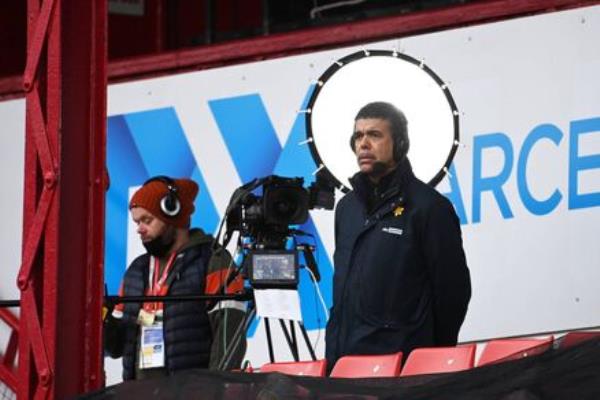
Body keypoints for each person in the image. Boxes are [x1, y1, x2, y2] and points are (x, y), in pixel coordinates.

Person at [325, 102, 471, 369]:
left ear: (400, 144)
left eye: (375, 135)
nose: (364, 144)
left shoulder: (429, 207)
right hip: (344, 368)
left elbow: (453, 293)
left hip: (404, 372)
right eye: (358, 136)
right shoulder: (346, 209)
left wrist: (429, 360)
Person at [103, 176, 247, 381]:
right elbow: (116, 347)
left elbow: (229, 339)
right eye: (137, 222)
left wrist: (214, 390)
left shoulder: (214, 260)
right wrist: (101, 317)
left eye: (147, 220)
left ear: (173, 215)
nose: (139, 229)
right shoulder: (136, 271)